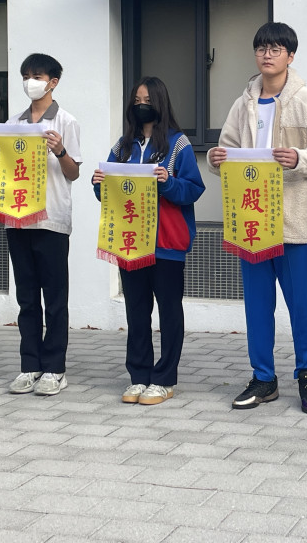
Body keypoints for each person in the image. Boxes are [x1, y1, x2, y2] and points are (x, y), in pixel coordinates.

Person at [208, 22, 307, 414]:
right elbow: (226, 151)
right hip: (252, 219)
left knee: (303, 306)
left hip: (296, 219)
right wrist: (216, 158)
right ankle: (263, 378)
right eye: (262, 48)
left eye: (276, 48)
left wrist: (299, 158)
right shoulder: (243, 103)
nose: (267, 55)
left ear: (290, 55)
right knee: (257, 306)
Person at [92, 76, 205, 406]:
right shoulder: (122, 146)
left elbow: (193, 189)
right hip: (130, 242)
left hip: (167, 243)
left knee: (169, 312)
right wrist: (99, 184)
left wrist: (168, 182)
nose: (141, 106)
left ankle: (165, 379)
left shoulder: (178, 144)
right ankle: (139, 376)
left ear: (160, 103)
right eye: (136, 101)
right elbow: (110, 193)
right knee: (136, 313)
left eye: (147, 100)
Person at [0, 54, 82, 396]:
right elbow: (6, 171)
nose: (30, 82)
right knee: (26, 298)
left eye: (37, 76)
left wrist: (60, 150)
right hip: (18, 219)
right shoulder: (14, 123)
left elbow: (73, 173)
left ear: (53, 81)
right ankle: (30, 365)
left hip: (51, 219)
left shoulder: (65, 121)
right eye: (26, 75)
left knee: (55, 298)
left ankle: (55, 368)